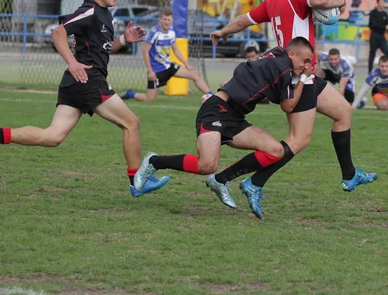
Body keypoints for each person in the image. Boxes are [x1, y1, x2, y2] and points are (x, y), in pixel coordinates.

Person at [210, 0, 377, 218]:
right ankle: (245, 181)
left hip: (305, 74)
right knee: (298, 140)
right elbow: (322, 0)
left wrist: (222, 32)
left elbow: (242, 20)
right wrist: (342, 1)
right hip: (296, 76)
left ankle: (350, 175)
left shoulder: (274, 1)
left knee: (343, 112)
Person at [0, 0, 169, 197]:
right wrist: (72, 62)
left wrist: (123, 40)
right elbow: (58, 32)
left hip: (76, 82)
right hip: (88, 79)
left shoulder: (105, 13)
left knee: (52, 137)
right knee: (131, 123)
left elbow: (103, 47)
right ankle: (137, 180)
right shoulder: (89, 10)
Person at [133, 37, 314, 219]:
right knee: (207, 164)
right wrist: (304, 78)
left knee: (275, 150)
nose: (306, 65)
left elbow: (261, 84)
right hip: (217, 110)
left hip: (235, 118)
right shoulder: (284, 68)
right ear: (291, 54)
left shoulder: (274, 55)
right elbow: (288, 106)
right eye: (304, 60)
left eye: (309, 62)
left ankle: (221, 180)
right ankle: (153, 162)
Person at [120, 8, 212, 102]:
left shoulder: (171, 33)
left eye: (169, 20)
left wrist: (187, 65)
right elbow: (145, 52)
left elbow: (176, 50)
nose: (167, 22)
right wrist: (150, 71)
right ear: (160, 20)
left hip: (168, 66)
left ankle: (212, 97)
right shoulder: (154, 32)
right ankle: (130, 94)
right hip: (157, 71)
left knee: (195, 75)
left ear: (172, 20)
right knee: (150, 99)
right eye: (164, 19)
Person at [367, 0, 388, 73]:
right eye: (381, 2)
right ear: (377, 3)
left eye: (383, 3)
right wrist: (384, 27)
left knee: (387, 52)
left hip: (382, 37)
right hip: (374, 36)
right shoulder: (373, 13)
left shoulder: (385, 14)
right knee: (372, 54)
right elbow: (371, 25)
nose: (382, 4)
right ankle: (370, 72)